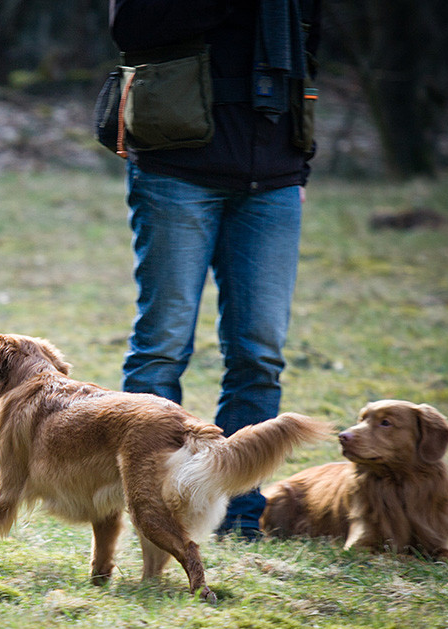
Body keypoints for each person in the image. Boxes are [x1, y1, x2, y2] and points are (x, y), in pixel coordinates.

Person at [109, 0, 321, 538]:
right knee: (161, 347)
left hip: (272, 173)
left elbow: (307, 46)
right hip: (177, 165)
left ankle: (239, 514)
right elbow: (131, 26)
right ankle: (153, 507)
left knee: (259, 356)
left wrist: (296, 164)